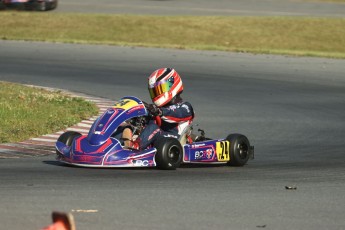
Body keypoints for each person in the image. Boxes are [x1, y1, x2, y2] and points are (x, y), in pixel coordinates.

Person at [122, 67, 194, 150]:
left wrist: (160, 112)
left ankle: (134, 147)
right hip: (157, 140)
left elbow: (177, 114)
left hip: (174, 140)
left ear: (172, 85)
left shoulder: (185, 106)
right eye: (154, 91)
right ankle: (109, 144)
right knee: (127, 127)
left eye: (160, 90)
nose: (156, 94)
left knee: (153, 128)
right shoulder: (156, 109)